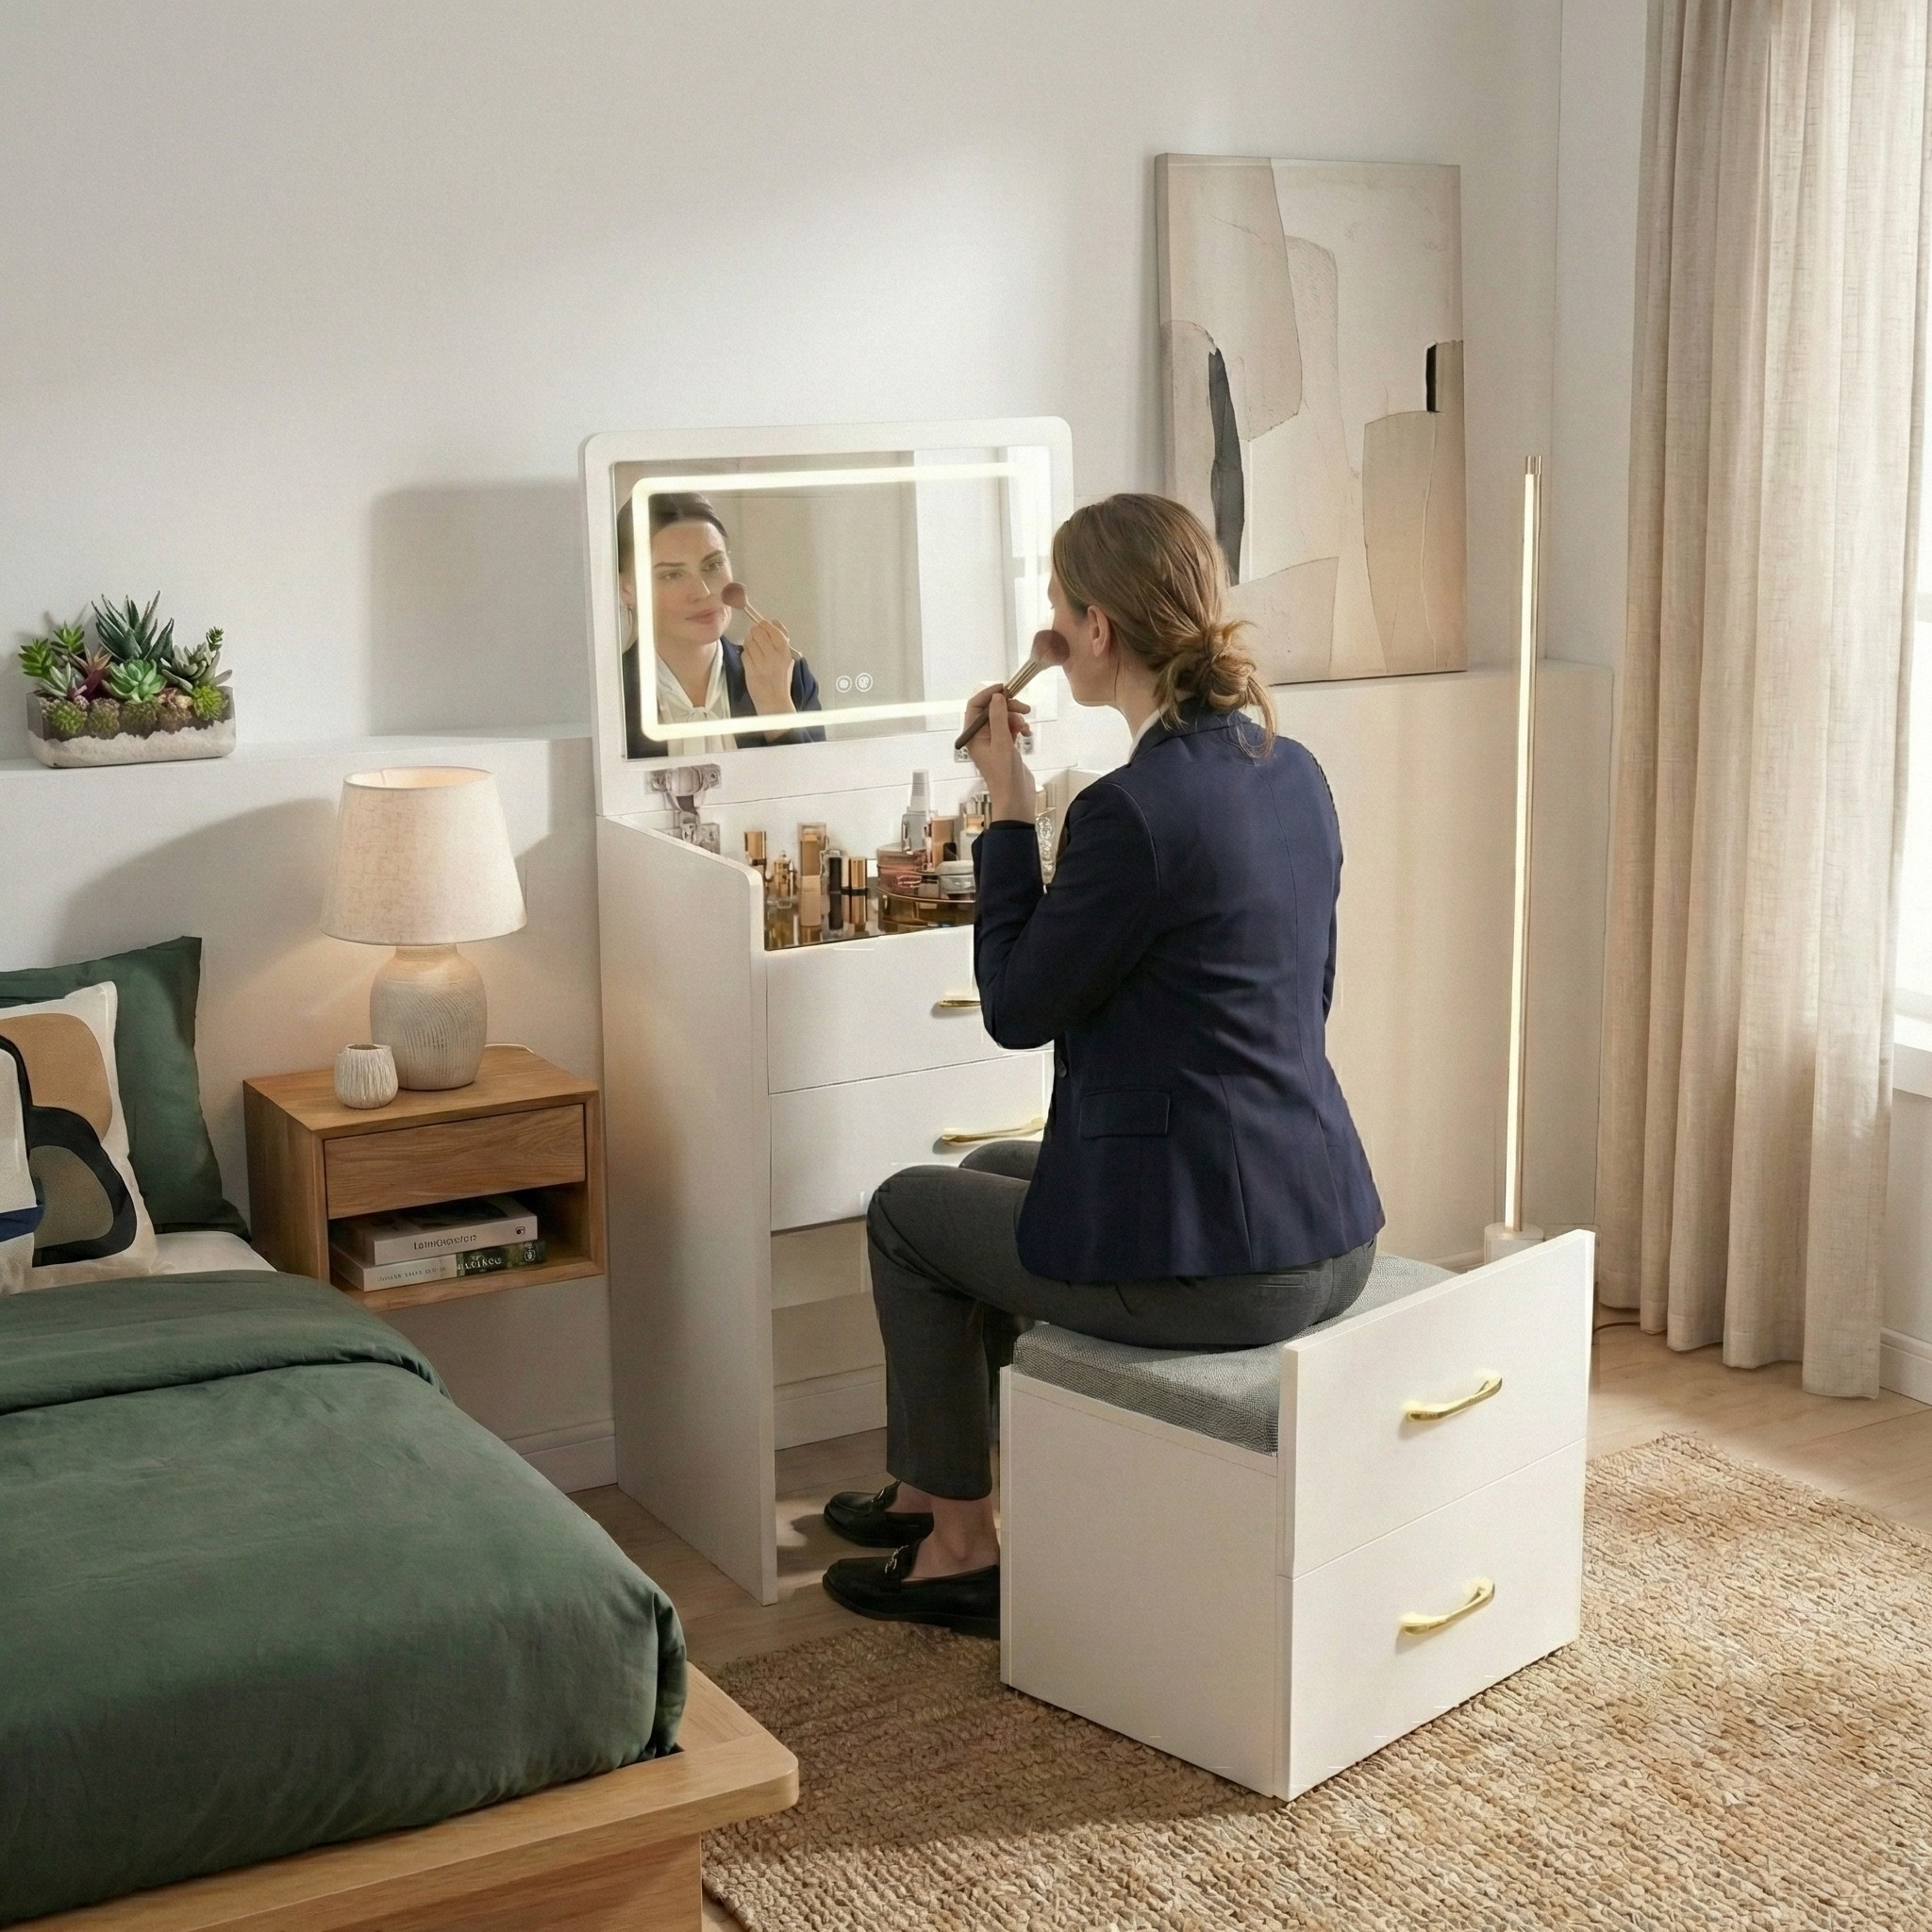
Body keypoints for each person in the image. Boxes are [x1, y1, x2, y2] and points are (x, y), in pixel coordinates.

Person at [820, 492, 1384, 1638]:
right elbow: (1289, 999)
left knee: (901, 1213)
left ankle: (961, 1546)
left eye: (1056, 612)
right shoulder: (1293, 770)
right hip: (1324, 1225)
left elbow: (1018, 1010)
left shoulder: (1134, 810)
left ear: (1093, 629)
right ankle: (933, 1482)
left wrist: (1009, 808)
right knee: (982, 1174)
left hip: (1219, 1271)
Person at [617, 491, 824, 756]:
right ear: (626, 589)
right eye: (672, 575)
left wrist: (776, 708)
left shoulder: (791, 678)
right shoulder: (610, 696)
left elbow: (818, 793)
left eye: (713, 565)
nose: (703, 592)